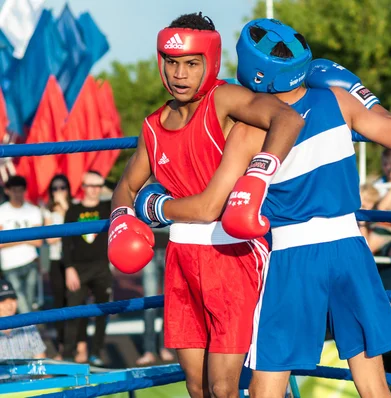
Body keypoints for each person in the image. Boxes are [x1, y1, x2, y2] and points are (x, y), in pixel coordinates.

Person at [134, 18, 391, 398]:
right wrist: (361, 92)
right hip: (351, 247)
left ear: (253, 70)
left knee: (267, 385)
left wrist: (158, 207)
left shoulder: (249, 131)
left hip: (293, 257)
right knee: (374, 385)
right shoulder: (339, 100)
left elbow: (213, 202)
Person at [109, 12, 304, 398]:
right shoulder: (152, 126)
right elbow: (125, 186)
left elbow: (287, 119)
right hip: (181, 259)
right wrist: (119, 219)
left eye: (191, 64)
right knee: (196, 386)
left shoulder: (224, 99)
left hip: (231, 256)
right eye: (172, 62)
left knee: (223, 386)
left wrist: (258, 174)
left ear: (210, 63)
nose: (180, 74)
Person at [62, 171, 112, 366]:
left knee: (102, 312)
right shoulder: (73, 211)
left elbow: (122, 187)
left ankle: (96, 352)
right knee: (73, 312)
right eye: (90, 185)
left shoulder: (108, 206)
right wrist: (69, 268)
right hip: (78, 268)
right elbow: (66, 242)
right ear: (82, 187)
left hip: (101, 267)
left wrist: (103, 180)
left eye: (98, 186)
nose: (94, 190)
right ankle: (68, 353)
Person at [0, 175, 43, 314]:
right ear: (7, 191)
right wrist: (26, 237)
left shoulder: (34, 210)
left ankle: (27, 334)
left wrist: (12, 238)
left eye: (20, 190)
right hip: (9, 265)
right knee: (23, 307)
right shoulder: (2, 211)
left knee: (28, 304)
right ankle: (31, 335)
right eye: (14, 190)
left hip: (30, 262)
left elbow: (38, 241)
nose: (17, 194)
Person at [42, 174, 72, 360]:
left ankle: (76, 343)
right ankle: (62, 345)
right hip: (56, 260)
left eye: (62, 188)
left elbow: (79, 231)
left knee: (76, 301)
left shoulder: (73, 207)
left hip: (74, 261)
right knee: (59, 301)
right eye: (55, 188)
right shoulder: (47, 210)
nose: (58, 191)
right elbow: (50, 238)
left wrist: (65, 209)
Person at [0, 279, 46, 360]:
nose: (9, 305)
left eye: (12, 300)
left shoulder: (28, 327)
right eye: (3, 301)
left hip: (29, 372)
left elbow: (42, 365)